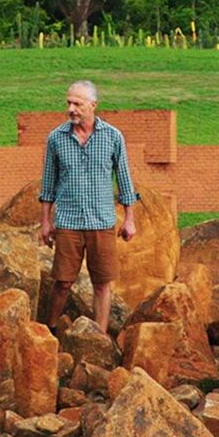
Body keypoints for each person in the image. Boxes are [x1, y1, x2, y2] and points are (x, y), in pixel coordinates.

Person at [37, 79, 137, 333]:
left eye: (77, 104)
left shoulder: (113, 137)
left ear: (93, 105)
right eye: (69, 103)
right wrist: (46, 222)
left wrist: (129, 219)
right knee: (62, 282)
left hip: (101, 222)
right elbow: (48, 184)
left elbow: (124, 179)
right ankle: (49, 329)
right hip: (68, 222)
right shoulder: (56, 139)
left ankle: (100, 337)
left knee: (102, 283)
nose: (71, 108)